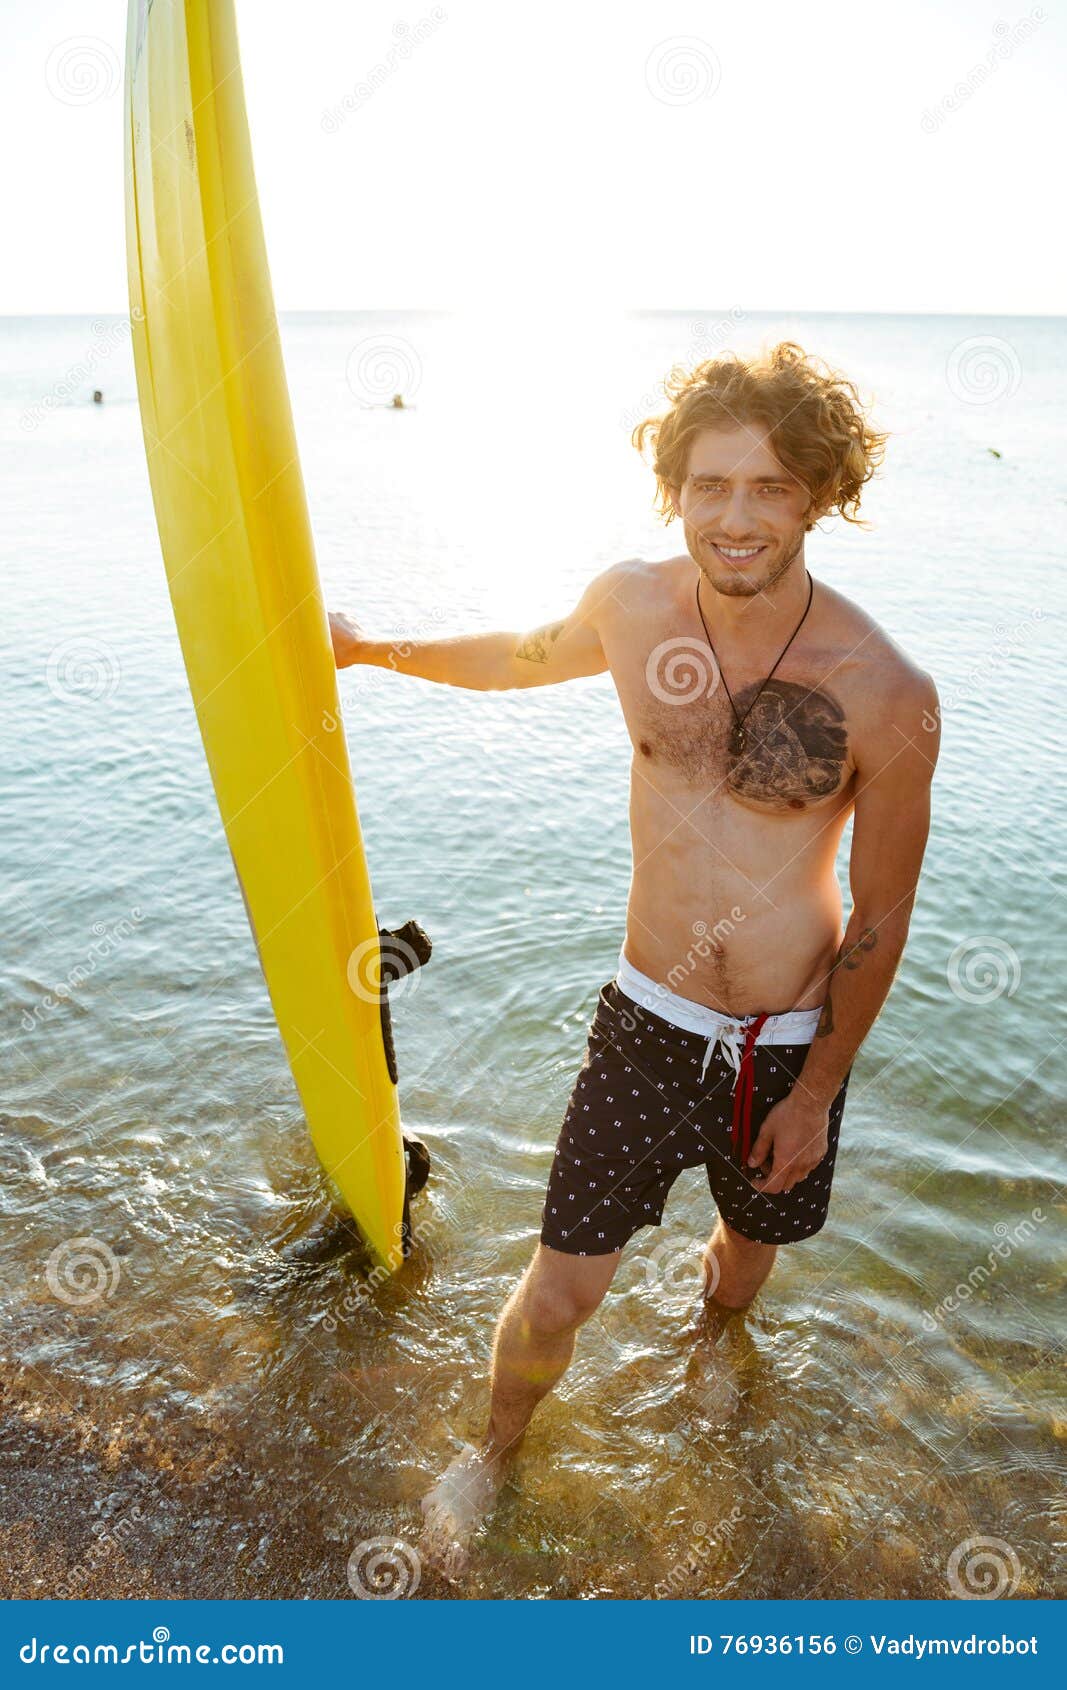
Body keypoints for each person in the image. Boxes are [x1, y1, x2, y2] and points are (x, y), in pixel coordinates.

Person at [329, 341, 940, 1576]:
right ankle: (494, 1450)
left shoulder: (885, 691)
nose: (735, 515)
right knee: (560, 1289)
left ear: (818, 496)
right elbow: (516, 655)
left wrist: (817, 1093)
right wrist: (367, 649)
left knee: (747, 1247)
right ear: (673, 489)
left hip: (785, 1042)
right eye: (710, 484)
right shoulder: (631, 604)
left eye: (770, 487)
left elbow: (878, 915)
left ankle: (714, 1343)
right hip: (644, 1023)